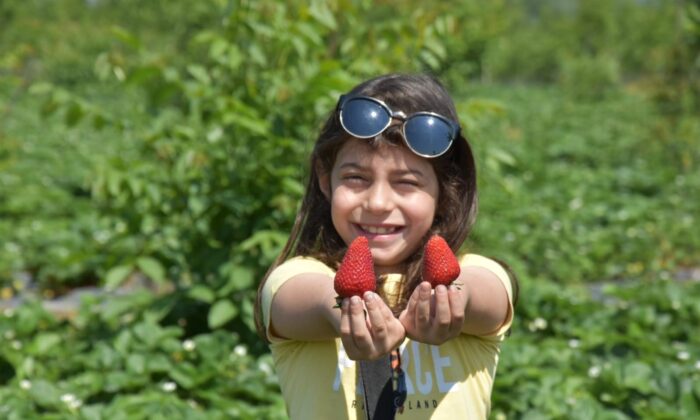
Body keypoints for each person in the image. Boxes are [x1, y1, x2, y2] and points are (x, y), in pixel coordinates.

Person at [254, 73, 518, 419]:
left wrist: (453, 299)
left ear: (446, 190)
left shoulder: (475, 273)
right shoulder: (296, 278)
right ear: (324, 179)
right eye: (356, 178)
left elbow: (488, 296)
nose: (378, 202)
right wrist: (343, 312)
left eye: (406, 182)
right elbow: (309, 298)